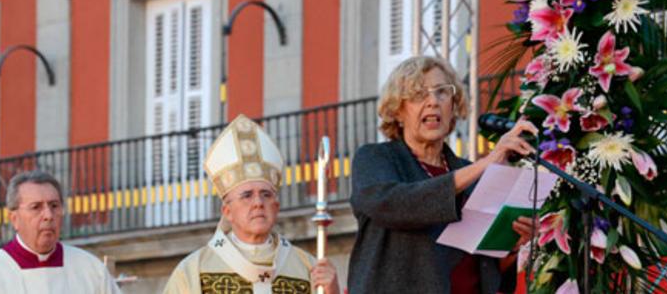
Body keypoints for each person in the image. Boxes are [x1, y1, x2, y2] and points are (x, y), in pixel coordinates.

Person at [348, 56, 537, 294]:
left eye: (442, 92)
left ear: (454, 106)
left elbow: (486, 268)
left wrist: (512, 247)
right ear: (397, 111)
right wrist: (487, 162)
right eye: (419, 95)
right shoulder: (375, 158)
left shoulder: (473, 175)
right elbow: (394, 204)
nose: (433, 102)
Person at [163, 114, 340, 294]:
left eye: (266, 194)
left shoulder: (307, 268)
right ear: (227, 211)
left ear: (276, 207)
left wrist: (332, 291)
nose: (258, 203)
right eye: (247, 195)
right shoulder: (194, 271)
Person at [0, 170, 121, 294]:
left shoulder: (91, 270)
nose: (48, 215)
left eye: (54, 206)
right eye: (36, 207)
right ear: (14, 218)